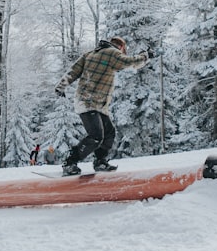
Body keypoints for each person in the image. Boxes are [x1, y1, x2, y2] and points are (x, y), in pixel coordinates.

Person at [55, 36, 150, 175]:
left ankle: (100, 162)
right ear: (121, 47)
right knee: (96, 136)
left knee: (109, 132)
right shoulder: (113, 52)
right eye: (124, 50)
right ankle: (70, 163)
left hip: (92, 103)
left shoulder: (89, 54)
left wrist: (61, 86)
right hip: (90, 102)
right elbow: (129, 62)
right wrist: (146, 56)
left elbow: (73, 71)